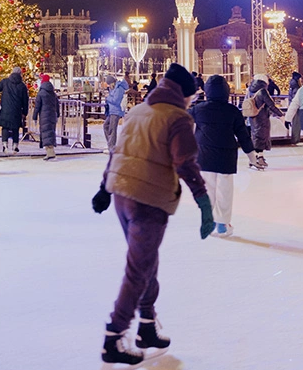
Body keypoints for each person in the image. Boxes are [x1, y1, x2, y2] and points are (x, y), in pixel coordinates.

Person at [91, 64, 214, 365]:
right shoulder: (178, 118)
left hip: (122, 194)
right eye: (191, 96)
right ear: (184, 94)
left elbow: (118, 151)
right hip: (148, 199)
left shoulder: (137, 112)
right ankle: (114, 337)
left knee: (146, 261)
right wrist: (203, 201)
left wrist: (104, 188)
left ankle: (147, 324)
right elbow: (185, 162)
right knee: (138, 268)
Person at [191, 74, 258, 237]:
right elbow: (243, 136)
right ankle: (222, 224)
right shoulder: (232, 111)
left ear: (207, 91)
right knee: (224, 191)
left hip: (204, 156)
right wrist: (252, 157)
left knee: (208, 190)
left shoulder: (198, 109)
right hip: (225, 158)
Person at [244, 75, 282, 167]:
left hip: (252, 116)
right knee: (261, 137)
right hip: (262, 118)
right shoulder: (262, 91)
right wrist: (281, 114)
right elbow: (271, 105)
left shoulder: (250, 90)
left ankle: (256, 157)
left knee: (256, 136)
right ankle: (258, 158)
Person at [0, 66, 29, 153]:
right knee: (15, 128)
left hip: (5, 109)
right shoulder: (22, 86)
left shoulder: (4, 82)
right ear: (20, 74)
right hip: (17, 110)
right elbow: (25, 101)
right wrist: (25, 112)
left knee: (5, 127)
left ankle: (5, 145)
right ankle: (15, 146)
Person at [32, 74, 60, 160]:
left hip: (44, 115)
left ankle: (50, 153)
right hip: (52, 115)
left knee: (46, 133)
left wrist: (34, 116)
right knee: (51, 132)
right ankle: (50, 152)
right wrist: (58, 114)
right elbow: (57, 105)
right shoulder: (53, 93)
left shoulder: (41, 93)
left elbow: (37, 106)